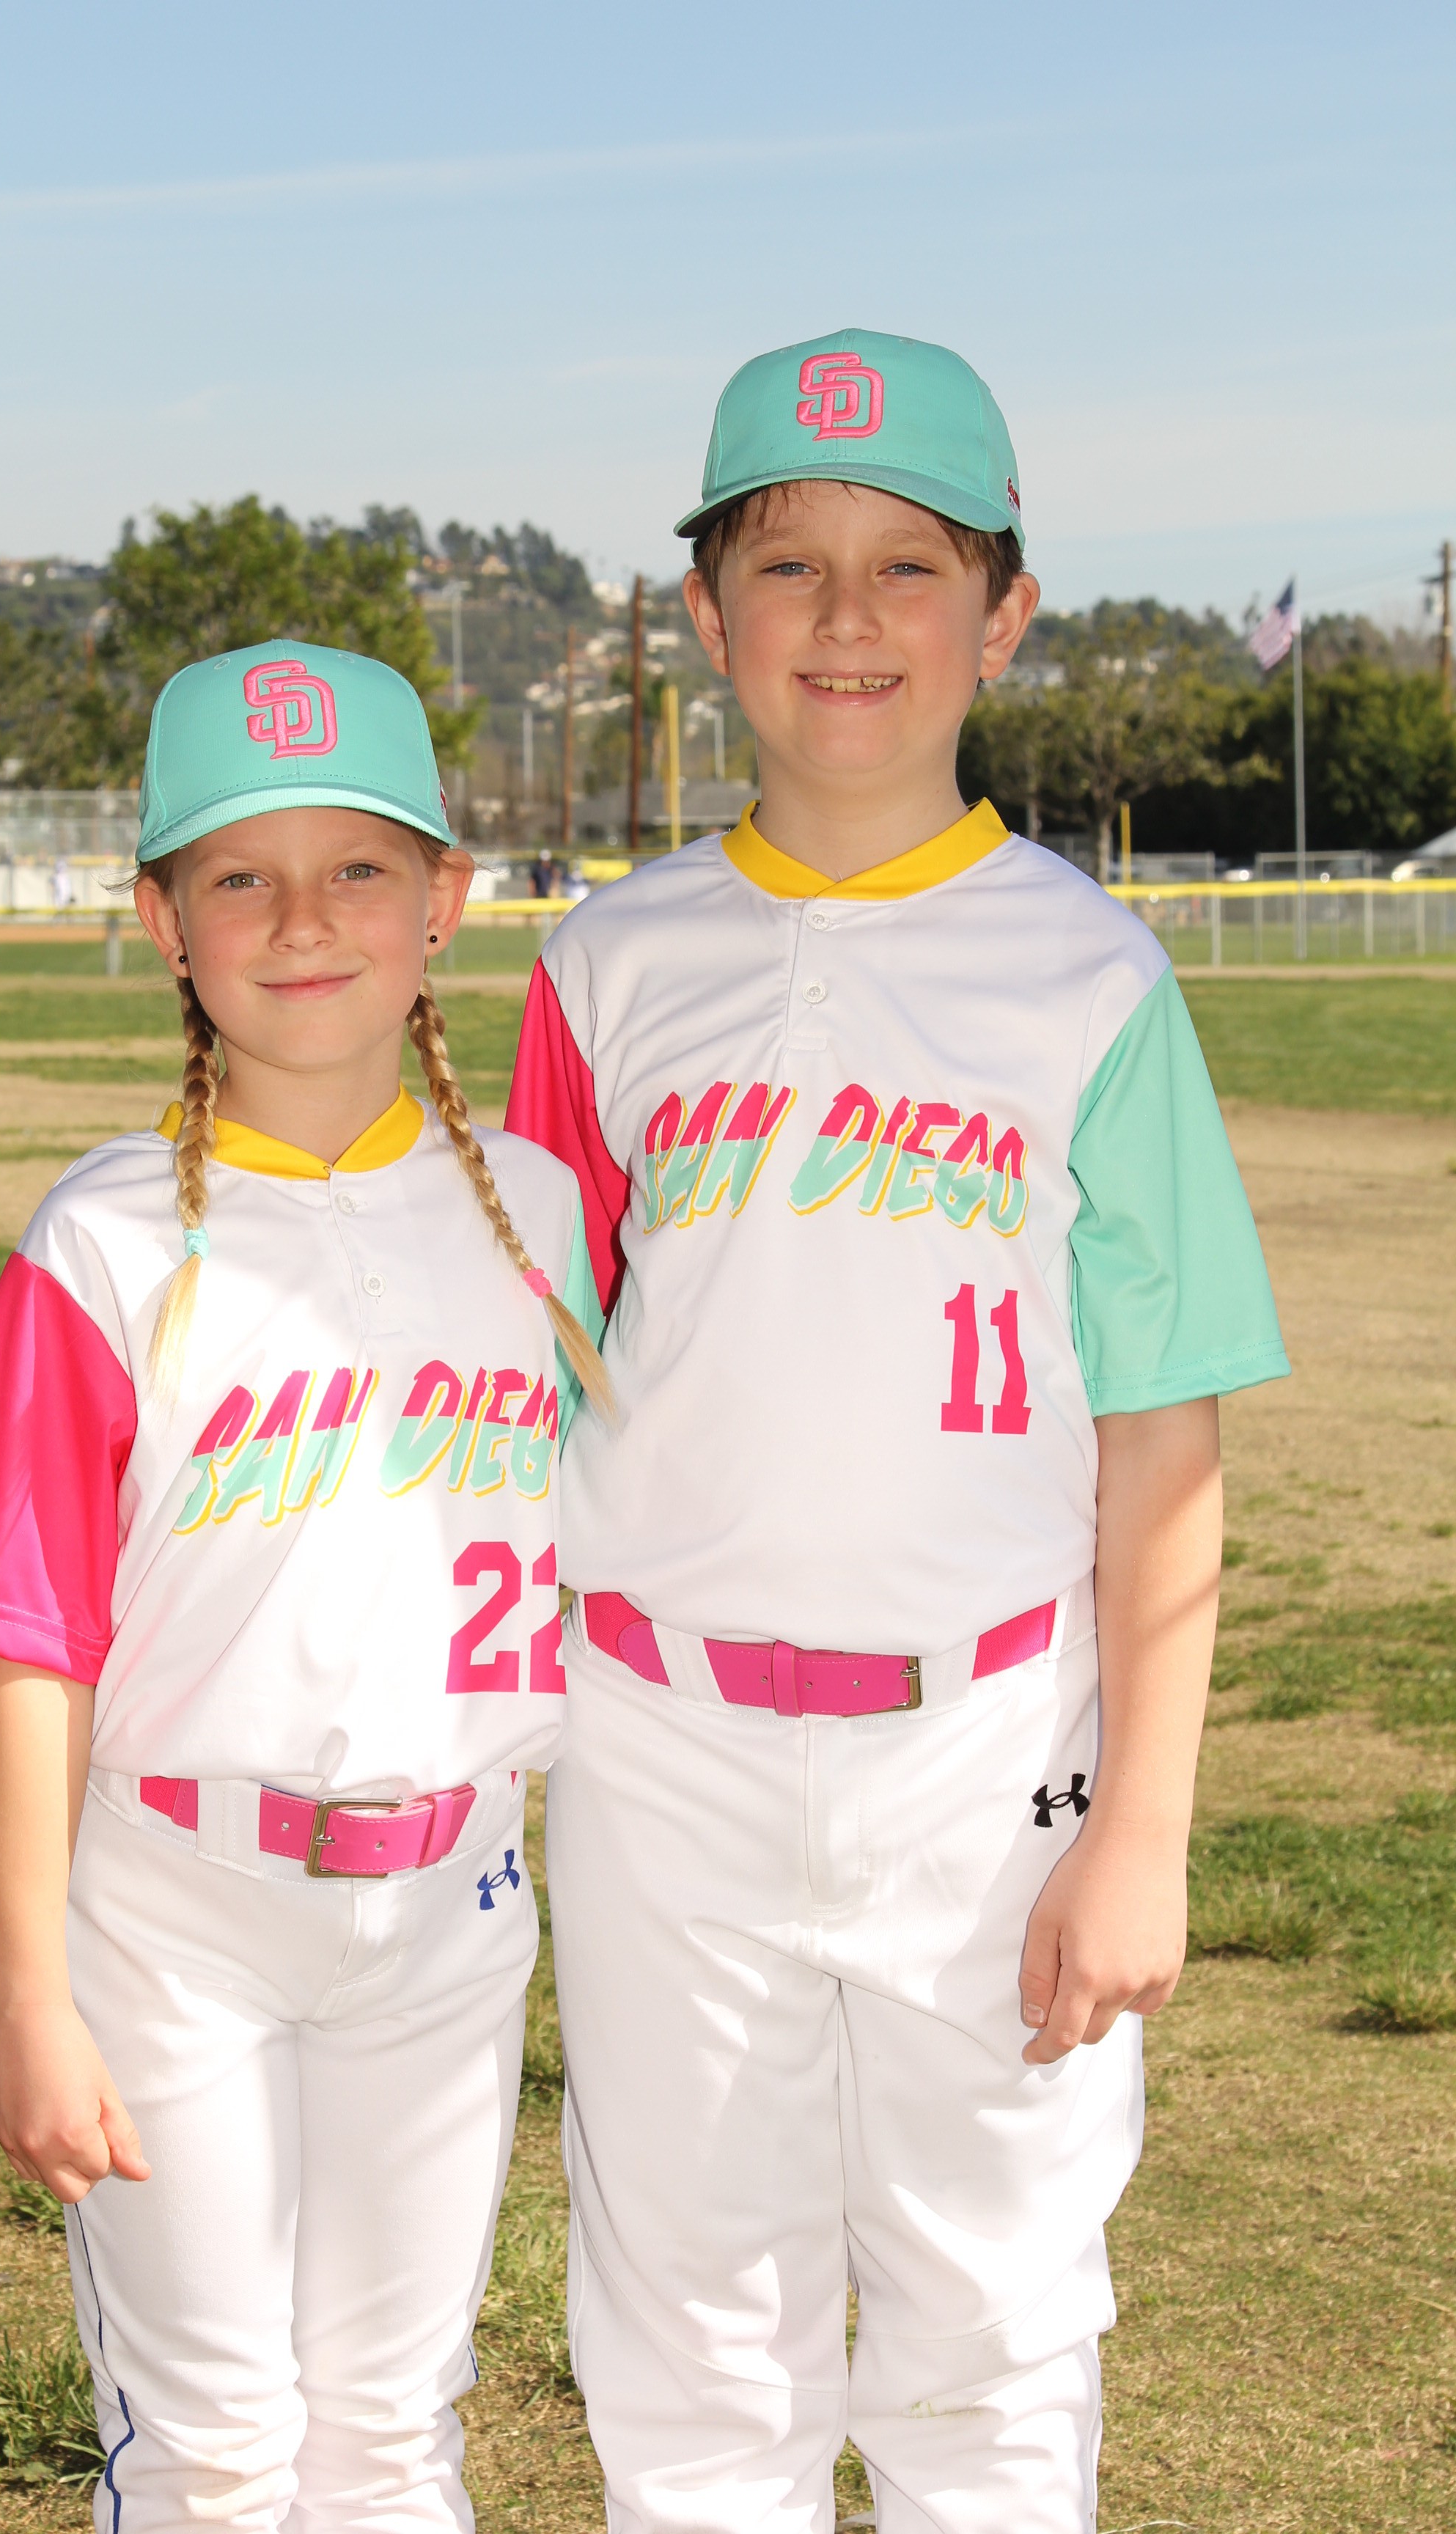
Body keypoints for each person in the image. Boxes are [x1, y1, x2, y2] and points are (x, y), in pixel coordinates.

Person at [505, 331, 1289, 2533]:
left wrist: (1145, 1829)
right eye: (788, 564)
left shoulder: (1092, 980)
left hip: (990, 1747)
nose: (847, 618)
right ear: (705, 614)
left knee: (990, 2342)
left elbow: (1164, 1449)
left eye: (911, 567)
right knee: (692, 2348)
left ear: (1004, 615)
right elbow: (528, 1381)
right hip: (662, 1743)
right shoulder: (607, 970)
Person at [0, 640, 608, 2531]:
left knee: (393, 2429)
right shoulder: (104, 1238)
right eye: (239, 875)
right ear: (164, 922)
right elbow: (30, 1652)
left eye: (358, 867)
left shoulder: (541, 1218)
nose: (303, 921)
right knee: (214, 2446)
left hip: (453, 1905)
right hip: (175, 1917)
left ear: (445, 901)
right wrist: (25, 1996)